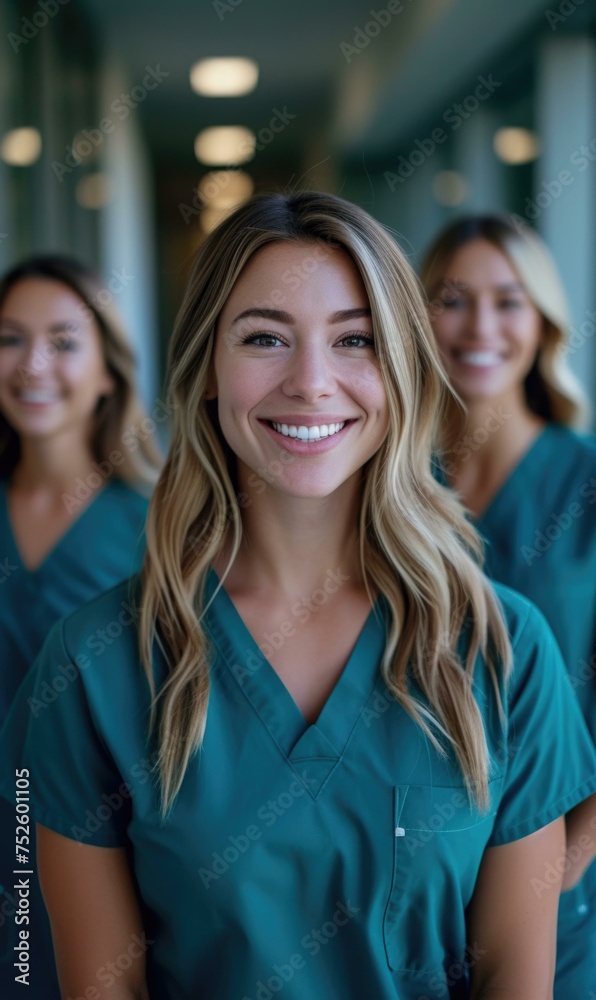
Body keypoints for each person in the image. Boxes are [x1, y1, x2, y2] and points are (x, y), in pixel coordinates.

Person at [0, 193, 595, 1000]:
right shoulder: (94, 666)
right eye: (264, 338)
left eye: (355, 339)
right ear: (206, 369)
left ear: (401, 370)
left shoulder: (505, 651)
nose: (311, 382)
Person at [421, 214, 596, 999]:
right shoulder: (386, 484)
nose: (480, 326)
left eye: (509, 300)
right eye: (452, 299)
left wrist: (565, 866)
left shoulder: (584, 483)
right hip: (409, 863)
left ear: (544, 323)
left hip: (562, 873)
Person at [0, 255, 162, 998]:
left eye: (64, 341)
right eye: (10, 339)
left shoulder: (159, 529)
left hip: (101, 841)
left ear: (107, 371)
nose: (34, 364)